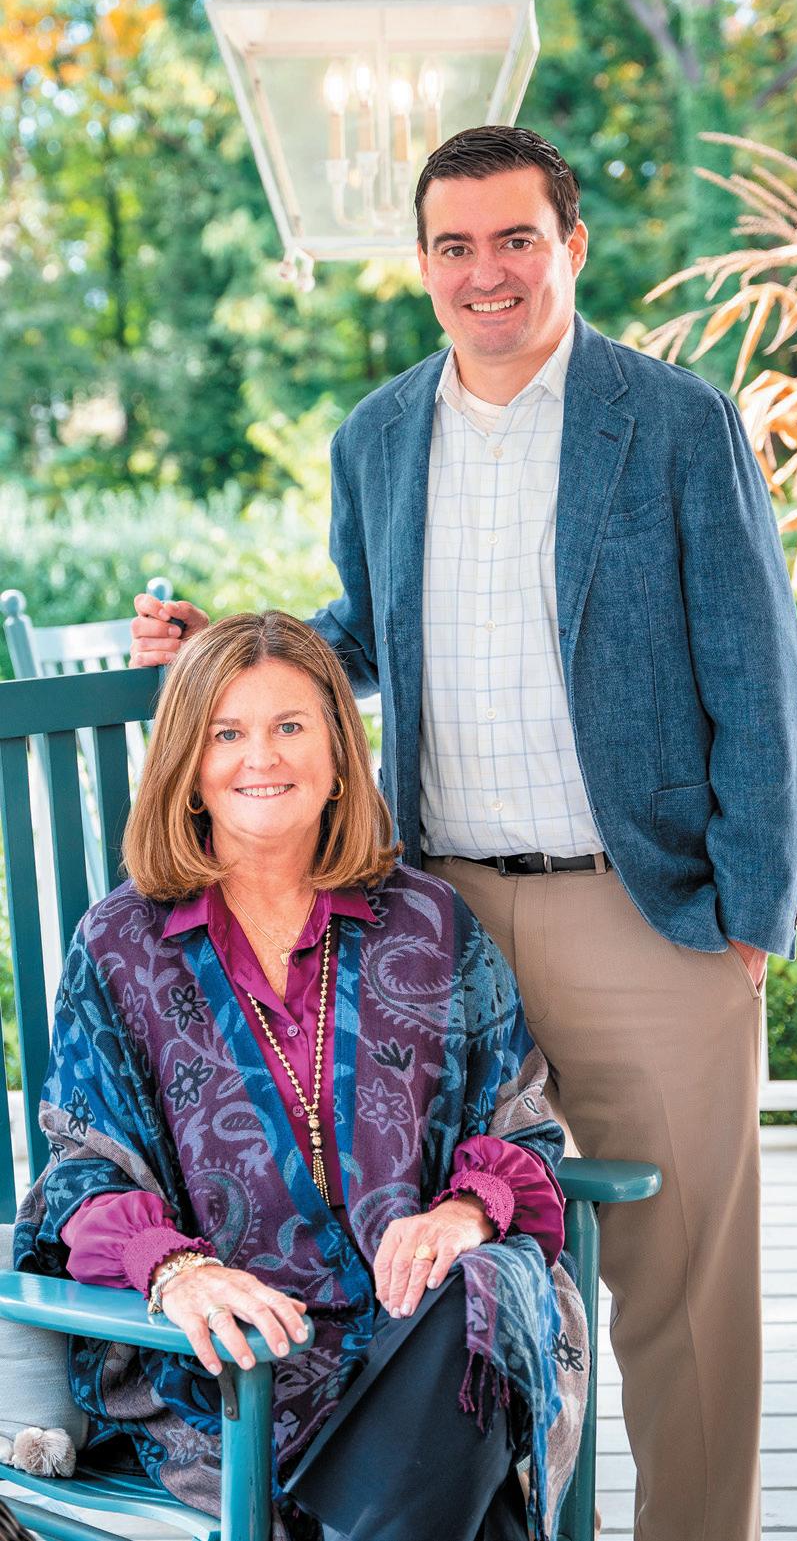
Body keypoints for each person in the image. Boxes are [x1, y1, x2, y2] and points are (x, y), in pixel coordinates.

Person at [130, 125, 797, 1541]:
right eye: (454, 245)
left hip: (647, 916)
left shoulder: (673, 423)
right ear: (423, 262)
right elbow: (366, 637)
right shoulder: (377, 436)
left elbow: (757, 681)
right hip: (431, 923)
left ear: (570, 246)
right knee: (451, 1266)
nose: (484, 271)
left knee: (683, 1294)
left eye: (515, 239)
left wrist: (747, 923)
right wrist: (222, 648)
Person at [15, 611, 588, 1541]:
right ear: (188, 765)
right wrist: (176, 1267)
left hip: (420, 1329)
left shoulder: (430, 923)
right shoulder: (120, 945)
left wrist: (463, 1211)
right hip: (234, 1364)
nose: (261, 756)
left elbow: (522, 1128)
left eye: (290, 725)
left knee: (473, 1290)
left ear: (338, 754)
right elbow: (82, 1176)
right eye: (226, 732)